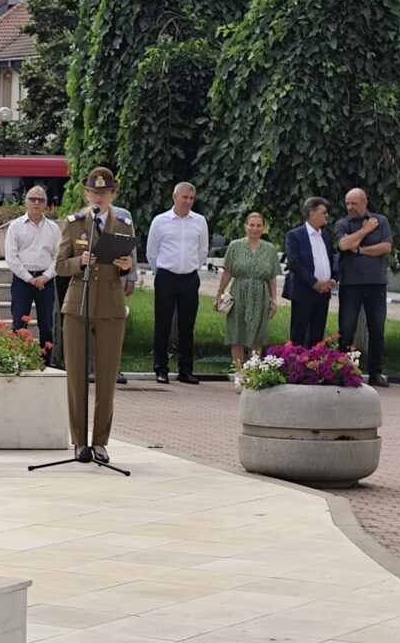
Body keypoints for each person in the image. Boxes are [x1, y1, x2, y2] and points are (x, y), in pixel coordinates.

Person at [56, 167, 137, 465]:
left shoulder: (123, 224)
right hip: (79, 304)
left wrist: (126, 266)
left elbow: (129, 265)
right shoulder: (74, 224)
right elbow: (60, 266)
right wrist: (79, 261)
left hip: (111, 306)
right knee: (76, 377)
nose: (99, 197)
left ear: (113, 194)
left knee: (106, 377)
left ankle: (100, 442)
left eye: (104, 193)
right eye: (94, 192)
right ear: (86, 193)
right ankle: (79, 441)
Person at [145, 181, 209, 384]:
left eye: (191, 198)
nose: (188, 201)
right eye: (184, 197)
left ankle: (185, 369)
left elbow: (202, 251)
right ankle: (161, 368)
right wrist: (161, 271)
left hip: (189, 278)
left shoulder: (199, 221)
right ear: (174, 197)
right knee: (162, 324)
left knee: (187, 326)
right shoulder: (160, 221)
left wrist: (191, 266)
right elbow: (152, 252)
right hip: (166, 277)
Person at [334, 186, 394, 387]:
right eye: (347, 203)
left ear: (365, 202)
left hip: (376, 284)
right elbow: (344, 245)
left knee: (377, 329)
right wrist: (366, 230)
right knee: (346, 328)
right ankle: (343, 370)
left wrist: (359, 249)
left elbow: (385, 247)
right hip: (351, 284)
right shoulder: (343, 223)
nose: (350, 207)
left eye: (354, 203)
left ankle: (376, 372)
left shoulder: (381, 221)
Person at [216, 211, 280, 381]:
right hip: (239, 292)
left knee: (257, 334)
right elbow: (228, 271)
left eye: (259, 225)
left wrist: (274, 300)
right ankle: (239, 373)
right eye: (251, 225)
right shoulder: (235, 246)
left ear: (263, 228)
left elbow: (272, 277)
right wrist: (219, 293)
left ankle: (253, 373)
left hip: (261, 293)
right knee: (237, 333)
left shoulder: (270, 249)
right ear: (245, 226)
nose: (255, 229)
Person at [4, 185, 59, 361]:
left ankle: (46, 362)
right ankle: (17, 361)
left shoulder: (53, 228)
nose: (36, 203)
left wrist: (45, 276)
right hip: (22, 281)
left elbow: (58, 257)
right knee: (19, 324)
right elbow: (11, 257)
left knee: (46, 325)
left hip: (45, 281)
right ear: (26, 202)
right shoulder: (15, 226)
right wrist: (29, 279)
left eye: (40, 200)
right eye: (32, 199)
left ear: (46, 204)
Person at [283, 196, 336, 350]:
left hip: (324, 293)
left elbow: (332, 259)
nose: (327, 215)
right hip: (303, 291)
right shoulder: (295, 235)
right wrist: (314, 283)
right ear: (312, 213)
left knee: (317, 335)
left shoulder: (326, 236)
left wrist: (333, 280)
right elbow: (294, 263)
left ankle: (315, 362)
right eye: (323, 212)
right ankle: (295, 362)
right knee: (298, 334)